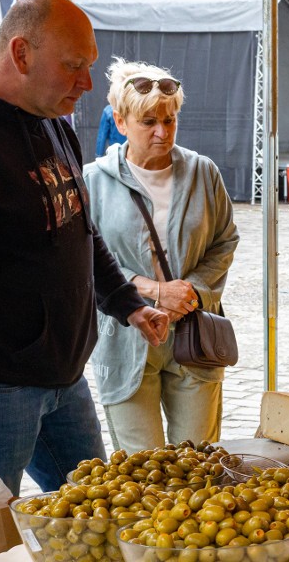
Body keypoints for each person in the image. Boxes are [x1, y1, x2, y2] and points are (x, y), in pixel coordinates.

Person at [0, 0, 169, 495]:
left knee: (97, 514)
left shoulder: (53, 118)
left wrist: (126, 303)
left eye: (90, 66)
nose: (86, 83)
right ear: (21, 54)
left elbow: (77, 226)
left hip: (65, 378)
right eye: (74, 66)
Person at [84, 58, 239, 453]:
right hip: (125, 334)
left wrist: (193, 291)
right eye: (148, 121)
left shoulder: (203, 172)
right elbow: (82, 259)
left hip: (194, 331)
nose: (161, 132)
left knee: (197, 460)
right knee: (142, 467)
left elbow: (225, 240)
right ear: (120, 122)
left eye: (169, 120)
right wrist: (154, 291)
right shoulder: (94, 181)